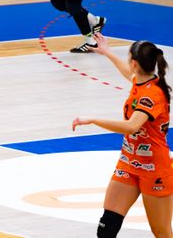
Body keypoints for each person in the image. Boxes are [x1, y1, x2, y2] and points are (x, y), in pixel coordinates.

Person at [73, 33, 172, 238]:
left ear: (134, 63)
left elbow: (131, 127)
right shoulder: (141, 81)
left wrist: (94, 120)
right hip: (129, 163)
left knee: (161, 232)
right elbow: (129, 74)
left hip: (154, 170)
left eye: (128, 58)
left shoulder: (152, 94)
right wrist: (107, 52)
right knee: (106, 228)